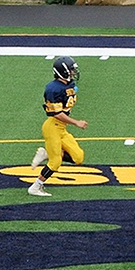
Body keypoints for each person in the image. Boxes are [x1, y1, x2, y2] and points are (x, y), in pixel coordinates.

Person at [28, 55, 87, 197]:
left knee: (78, 157)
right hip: (52, 127)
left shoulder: (70, 84)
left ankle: (47, 153)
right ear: (64, 71)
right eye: (71, 70)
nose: (74, 72)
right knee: (55, 162)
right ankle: (36, 187)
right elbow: (56, 114)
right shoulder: (52, 89)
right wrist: (76, 122)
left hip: (61, 128)